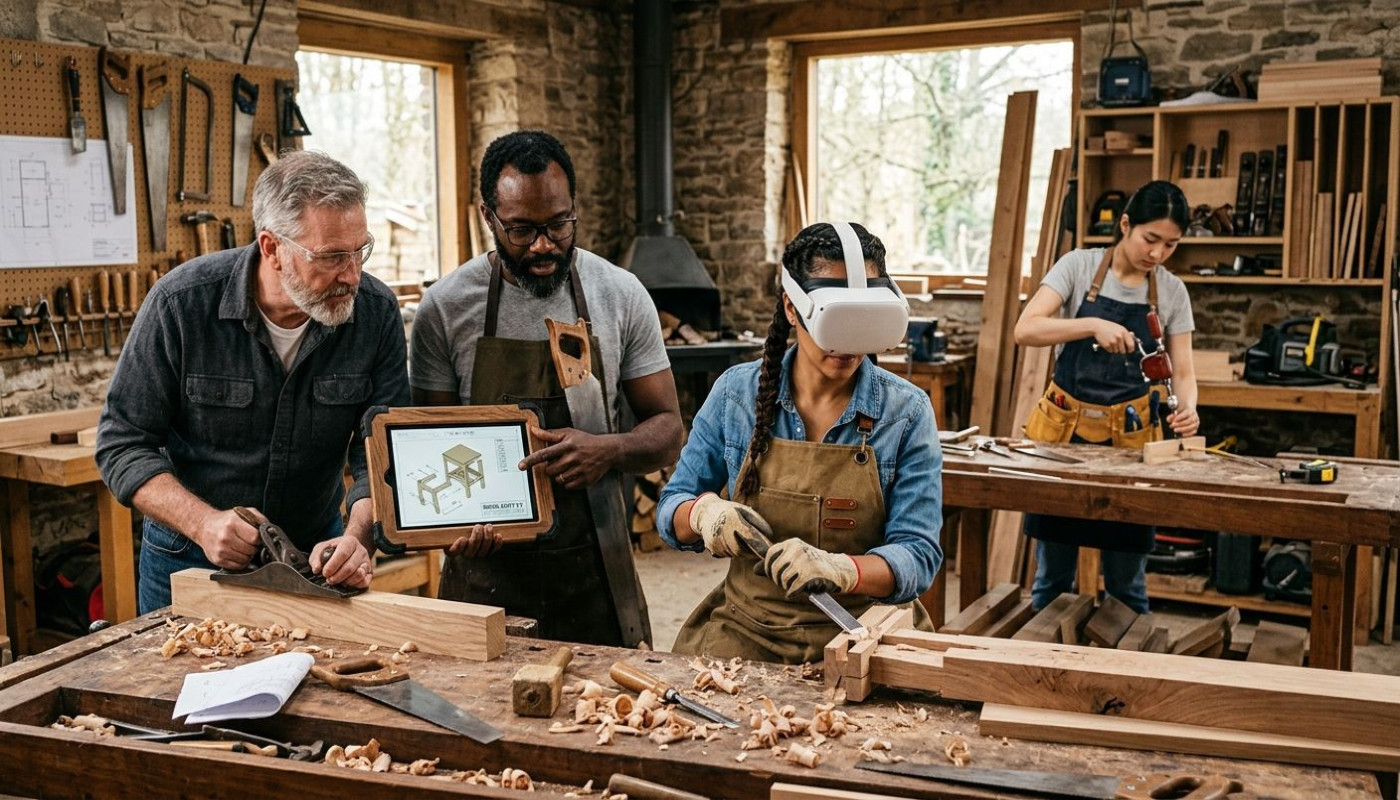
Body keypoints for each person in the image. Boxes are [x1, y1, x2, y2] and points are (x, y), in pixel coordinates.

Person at [96, 150, 410, 613]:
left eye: (360, 250)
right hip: (188, 560)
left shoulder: (376, 314)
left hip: (317, 557)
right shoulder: (179, 305)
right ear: (271, 248)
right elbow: (121, 443)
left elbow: (380, 453)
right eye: (332, 257)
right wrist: (203, 523)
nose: (353, 275)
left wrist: (357, 537)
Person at [410, 130, 682, 648]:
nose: (543, 246)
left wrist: (608, 450)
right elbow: (430, 448)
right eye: (521, 230)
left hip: (596, 568)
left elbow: (669, 431)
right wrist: (453, 526)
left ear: (574, 207)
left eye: (559, 224)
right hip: (483, 577)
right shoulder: (444, 308)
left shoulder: (621, 295)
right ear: (489, 217)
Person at [656, 221, 943, 664]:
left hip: (863, 632)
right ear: (793, 308)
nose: (846, 347)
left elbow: (918, 554)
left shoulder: (905, 412)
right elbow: (671, 508)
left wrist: (844, 569)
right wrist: (702, 514)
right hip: (749, 629)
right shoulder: (736, 394)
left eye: (860, 325)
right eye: (834, 322)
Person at [1013, 180, 1199, 614]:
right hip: (1064, 440)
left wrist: (1189, 407)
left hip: (1133, 442)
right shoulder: (1078, 267)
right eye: (1150, 239)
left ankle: (1126, 678)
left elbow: (1185, 373)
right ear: (1125, 224)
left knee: (1127, 584)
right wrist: (1091, 325)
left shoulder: (1171, 292)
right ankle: (1044, 672)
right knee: (1052, 580)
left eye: (1170, 245)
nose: (1157, 254)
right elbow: (1027, 328)